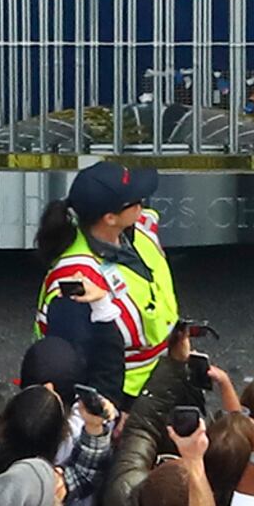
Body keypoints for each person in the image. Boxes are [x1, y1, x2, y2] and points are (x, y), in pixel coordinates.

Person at [32, 159, 175, 395]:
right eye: (135, 201)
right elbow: (73, 367)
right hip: (124, 398)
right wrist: (105, 412)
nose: (143, 204)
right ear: (110, 218)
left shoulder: (138, 231)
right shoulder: (74, 280)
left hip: (163, 377)